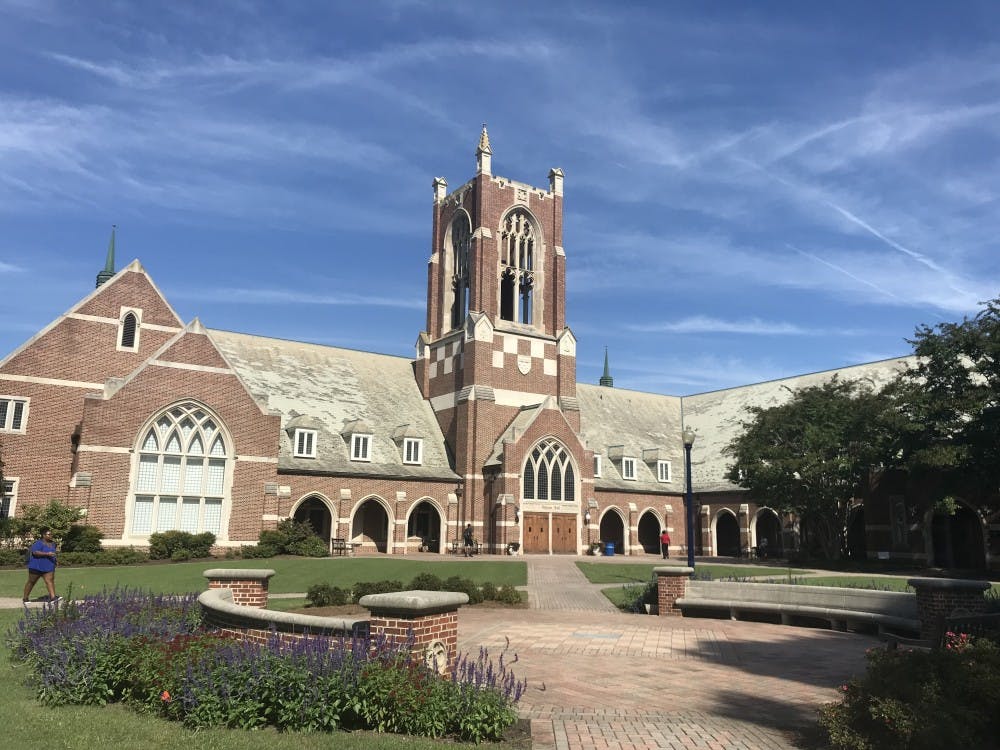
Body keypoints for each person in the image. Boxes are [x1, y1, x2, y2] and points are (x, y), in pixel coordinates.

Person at [23, 527, 59, 603]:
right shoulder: (38, 543)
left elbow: (53, 553)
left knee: (50, 581)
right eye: (49, 534)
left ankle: (53, 598)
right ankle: (25, 598)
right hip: (36, 567)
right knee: (31, 582)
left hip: (48, 566)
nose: (51, 536)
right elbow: (35, 552)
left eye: (51, 534)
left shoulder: (53, 544)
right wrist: (47, 554)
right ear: (43, 535)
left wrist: (55, 561)